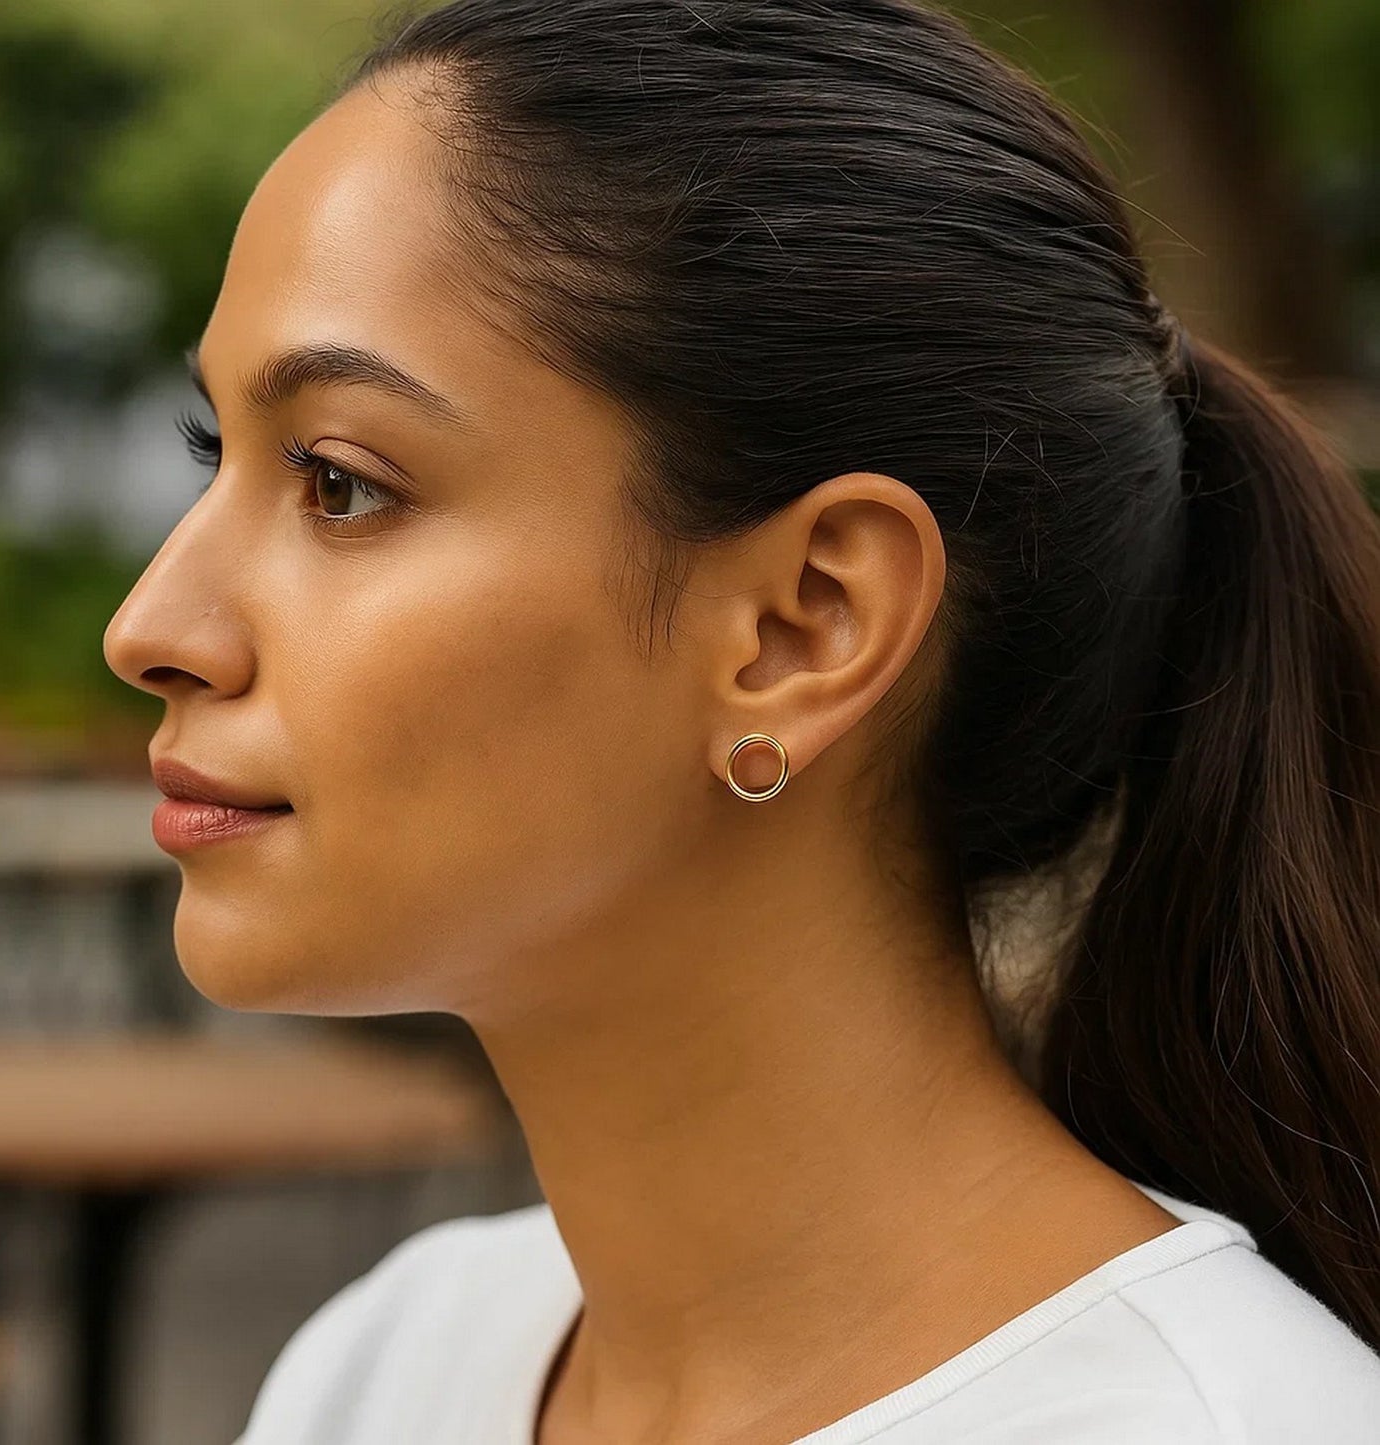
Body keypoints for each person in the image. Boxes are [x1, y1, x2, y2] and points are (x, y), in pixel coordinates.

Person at [101, 1, 1380, 1440]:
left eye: (338, 482)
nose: (150, 627)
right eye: (215, 452)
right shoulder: (393, 1360)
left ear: (802, 625)